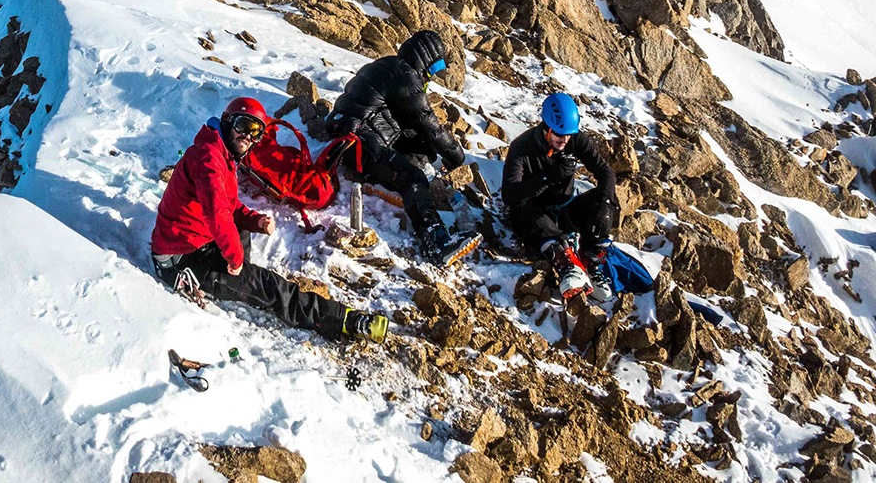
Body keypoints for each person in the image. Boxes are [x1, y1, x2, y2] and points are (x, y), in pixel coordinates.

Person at [154, 97, 393, 342]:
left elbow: (227, 205)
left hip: (196, 241)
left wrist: (254, 220)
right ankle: (344, 320)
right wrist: (235, 258)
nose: (249, 137)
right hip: (181, 260)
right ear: (227, 122)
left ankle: (237, 280)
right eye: (244, 126)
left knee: (240, 236)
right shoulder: (209, 159)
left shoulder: (219, 152)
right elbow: (217, 212)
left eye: (256, 132)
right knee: (271, 286)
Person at [314, 29, 479, 258]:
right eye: (432, 70)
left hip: (352, 137)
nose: (430, 78)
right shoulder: (407, 77)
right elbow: (429, 123)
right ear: (425, 61)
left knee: (418, 145)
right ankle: (435, 241)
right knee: (413, 178)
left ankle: (386, 176)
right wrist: (456, 157)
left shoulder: (388, 65)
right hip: (362, 144)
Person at [502, 92, 619, 297]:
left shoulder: (574, 140)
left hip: (564, 211)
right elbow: (509, 195)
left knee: (603, 198)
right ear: (546, 128)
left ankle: (590, 259)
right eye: (559, 134)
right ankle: (567, 263)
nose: (564, 140)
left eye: (568, 135)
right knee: (522, 209)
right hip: (532, 214)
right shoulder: (521, 147)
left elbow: (605, 171)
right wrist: (547, 178)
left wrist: (606, 202)